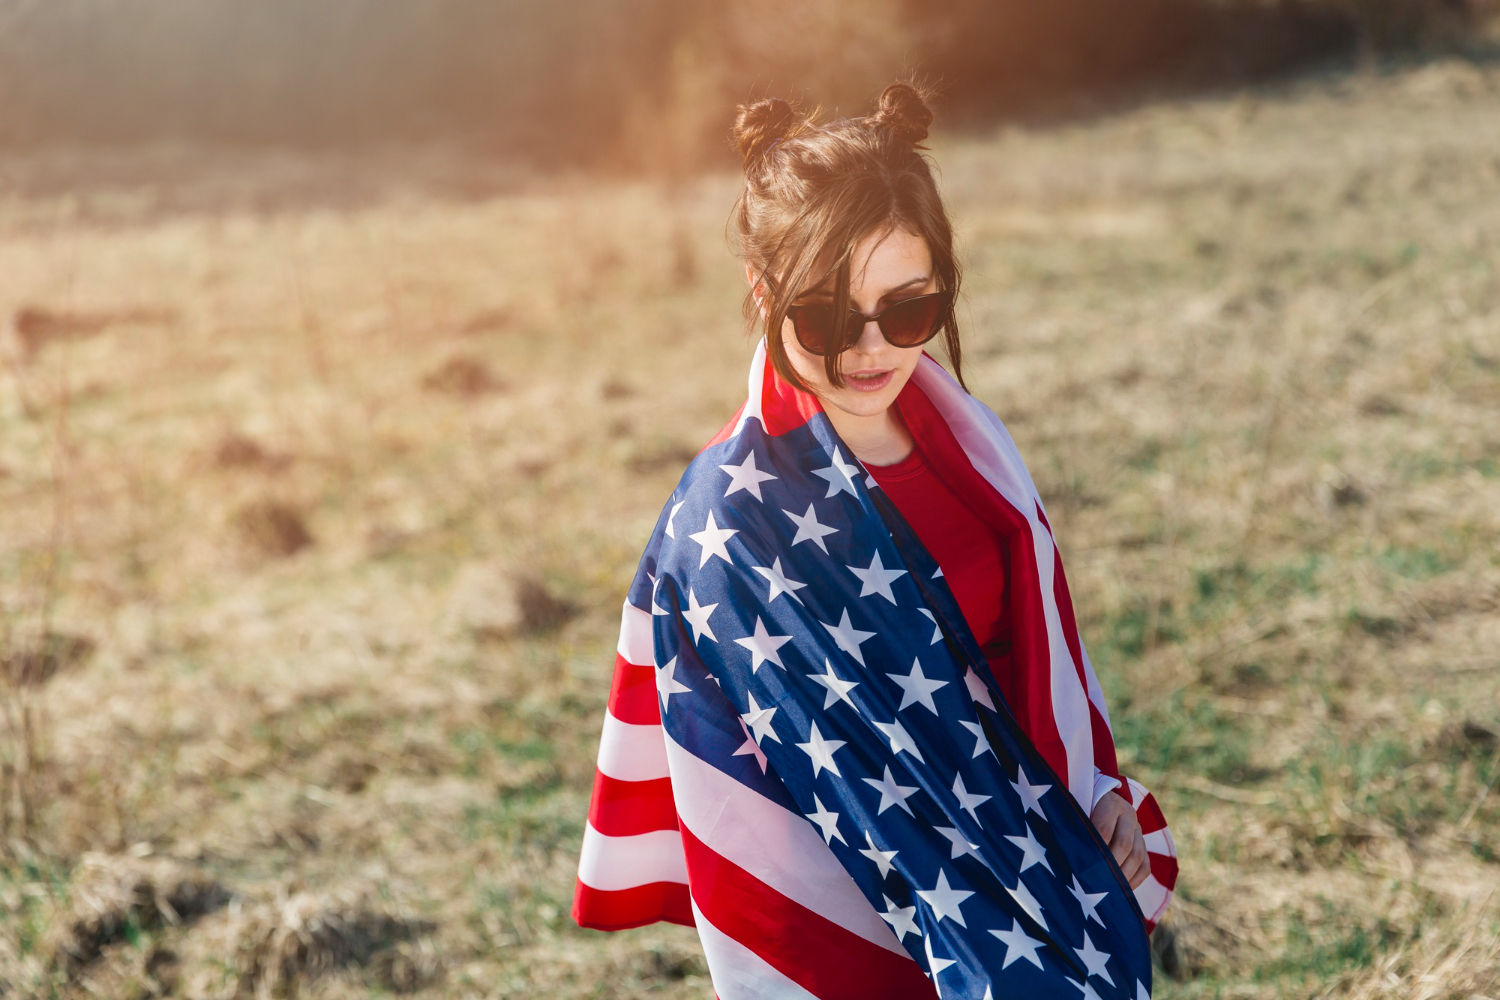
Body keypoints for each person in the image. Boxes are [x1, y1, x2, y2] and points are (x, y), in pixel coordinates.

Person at [575, 83, 1177, 1000]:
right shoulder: (731, 526)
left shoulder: (974, 450)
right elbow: (814, 801)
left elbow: (1032, 664)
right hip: (881, 928)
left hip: (1041, 861)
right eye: (822, 317)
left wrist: (1093, 792)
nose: (868, 350)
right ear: (762, 292)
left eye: (906, 310)